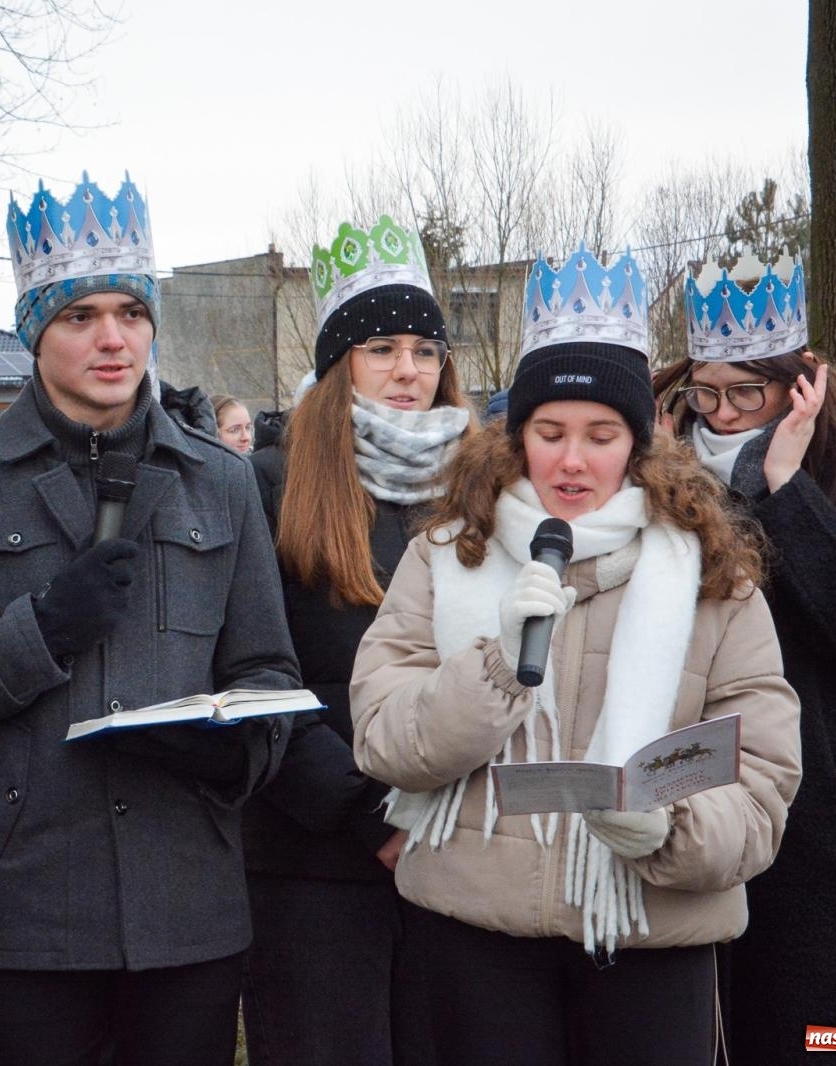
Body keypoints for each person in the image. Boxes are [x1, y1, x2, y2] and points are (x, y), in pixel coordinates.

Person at [0, 171, 300, 1066]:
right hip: (30, 911)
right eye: (79, 316)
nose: (113, 338)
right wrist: (41, 631)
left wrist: (231, 752)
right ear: (35, 328)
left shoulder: (221, 482)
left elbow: (271, 674)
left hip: (187, 902)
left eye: (131, 313)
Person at [351, 246, 803, 1065]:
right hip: (474, 942)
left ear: (638, 443)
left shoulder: (714, 579)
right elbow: (383, 737)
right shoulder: (446, 556)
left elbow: (763, 786)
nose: (571, 460)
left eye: (600, 435)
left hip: (650, 942)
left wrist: (664, 826)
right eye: (549, 432)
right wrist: (494, 668)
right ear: (515, 437)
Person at [654, 253, 836, 1064]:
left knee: (823, 1037)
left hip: (824, 809)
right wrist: (666, 479)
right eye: (708, 392)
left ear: (799, 385)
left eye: (749, 393)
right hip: (697, 790)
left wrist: (785, 488)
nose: (727, 413)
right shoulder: (666, 474)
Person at [240, 214, 470, 1066]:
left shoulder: (484, 484)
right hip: (314, 860)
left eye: (424, 349)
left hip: (460, 850)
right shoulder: (269, 486)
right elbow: (257, 675)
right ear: (341, 367)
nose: (408, 371)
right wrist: (371, 815)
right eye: (382, 348)